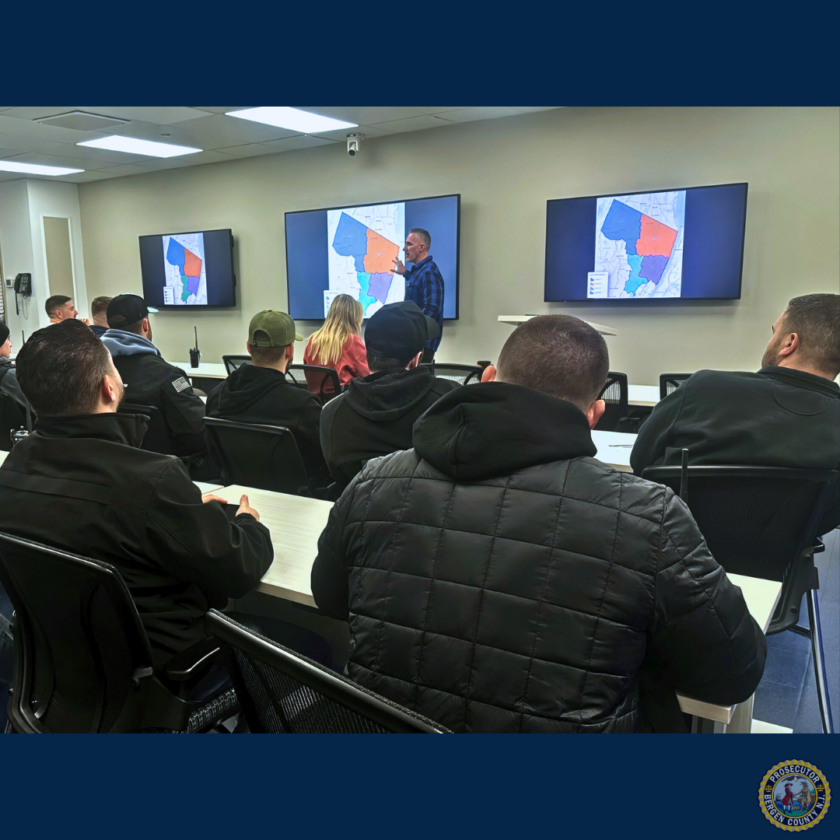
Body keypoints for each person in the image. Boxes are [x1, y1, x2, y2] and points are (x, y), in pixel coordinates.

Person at [311, 314, 767, 733]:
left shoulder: (375, 480)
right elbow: (733, 673)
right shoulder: (650, 516)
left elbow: (330, 597)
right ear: (594, 414)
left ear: (488, 377)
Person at [0, 319, 272, 670]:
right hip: (162, 671)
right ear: (109, 388)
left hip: (62, 668)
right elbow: (240, 570)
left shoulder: (12, 470)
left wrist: (181, 512)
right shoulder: (151, 479)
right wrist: (246, 522)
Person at [631, 293, 840, 533]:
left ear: (789, 343)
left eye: (774, 332)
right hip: (778, 565)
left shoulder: (704, 387)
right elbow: (828, 516)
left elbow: (641, 461)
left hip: (670, 554)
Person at [319, 300, 460, 490]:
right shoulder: (451, 400)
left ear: (368, 356)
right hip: (433, 514)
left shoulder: (332, 413)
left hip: (356, 515)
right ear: (416, 359)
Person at [206, 310, 331, 490]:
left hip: (238, 500)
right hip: (294, 505)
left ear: (249, 347)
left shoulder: (216, 396)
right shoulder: (303, 405)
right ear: (289, 350)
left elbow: (215, 457)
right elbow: (325, 462)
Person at [102, 294, 209, 468]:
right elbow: (198, 434)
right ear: (145, 324)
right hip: (165, 472)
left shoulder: (92, 371)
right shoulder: (168, 375)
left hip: (111, 468)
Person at [392, 228, 444, 363]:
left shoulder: (429, 272)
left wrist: (413, 330)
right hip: (415, 342)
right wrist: (405, 273)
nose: (404, 248)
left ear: (421, 247)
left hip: (421, 344)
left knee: (417, 382)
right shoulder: (420, 271)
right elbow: (418, 287)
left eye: (409, 244)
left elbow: (432, 309)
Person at [303, 294, 369, 389]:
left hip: (317, 401)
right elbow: (367, 377)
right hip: (343, 402)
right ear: (354, 319)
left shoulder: (312, 340)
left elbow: (308, 374)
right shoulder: (352, 341)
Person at [0, 322, 30, 438]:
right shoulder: (10, 376)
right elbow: (36, 408)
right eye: (7, 339)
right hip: (16, 445)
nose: (10, 344)